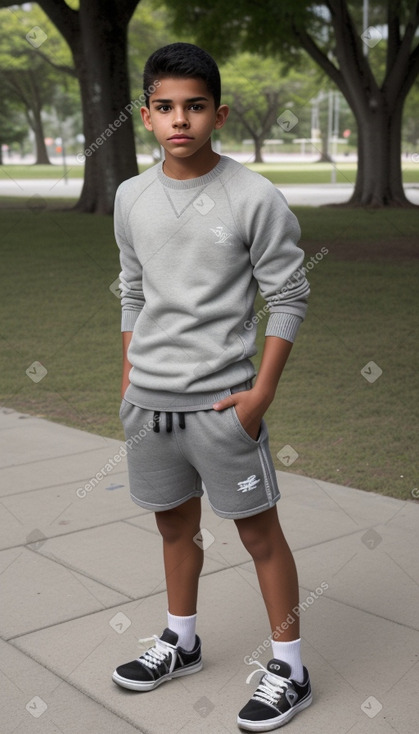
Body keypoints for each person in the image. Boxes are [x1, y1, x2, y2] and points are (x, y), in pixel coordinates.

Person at [112, 42, 312, 732]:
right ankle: (181, 641)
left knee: (259, 536)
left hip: (224, 405)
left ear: (217, 113)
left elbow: (288, 295)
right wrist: (130, 374)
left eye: (194, 106)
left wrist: (260, 396)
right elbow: (132, 290)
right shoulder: (129, 196)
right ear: (144, 116)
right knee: (175, 527)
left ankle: (288, 665)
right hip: (150, 407)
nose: (180, 120)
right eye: (165, 107)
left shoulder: (252, 195)